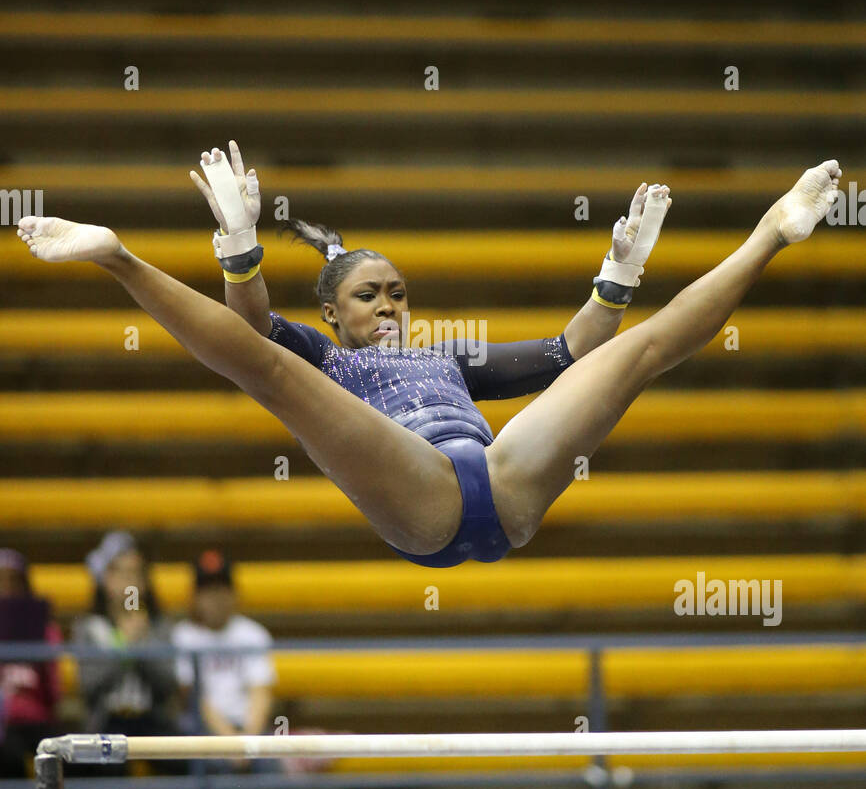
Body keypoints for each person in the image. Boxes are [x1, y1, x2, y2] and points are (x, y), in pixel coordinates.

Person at [16, 146, 841, 572]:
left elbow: (568, 353)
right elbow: (253, 333)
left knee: (640, 352)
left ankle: (771, 231)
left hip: (502, 481)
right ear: (332, 313)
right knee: (271, 376)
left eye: (398, 293)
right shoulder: (322, 356)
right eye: (369, 296)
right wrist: (240, 249)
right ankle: (117, 257)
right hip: (419, 505)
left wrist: (618, 274)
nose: (388, 307)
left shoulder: (450, 358)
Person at [71, 530, 184, 789]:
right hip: (107, 720)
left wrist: (142, 645)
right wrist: (125, 648)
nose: (128, 583)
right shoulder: (88, 626)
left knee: (185, 763)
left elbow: (166, 684)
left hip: (150, 719)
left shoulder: (159, 625)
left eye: (135, 574)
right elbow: (89, 686)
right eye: (120, 573)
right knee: (108, 768)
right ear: (104, 580)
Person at [172, 548, 281, 789]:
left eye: (221, 589)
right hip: (204, 728)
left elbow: (261, 692)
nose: (216, 598)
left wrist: (247, 741)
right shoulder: (184, 636)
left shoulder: (252, 634)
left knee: (270, 768)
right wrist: (230, 740)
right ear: (195, 597)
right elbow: (194, 697)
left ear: (234, 594)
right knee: (218, 777)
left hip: (248, 728)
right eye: (208, 590)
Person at [0, 548, 62, 789]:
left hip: (37, 719)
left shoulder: (45, 630)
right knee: (8, 755)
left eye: (12, 581)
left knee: (68, 753)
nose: (6, 590)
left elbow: (55, 692)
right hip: (4, 726)